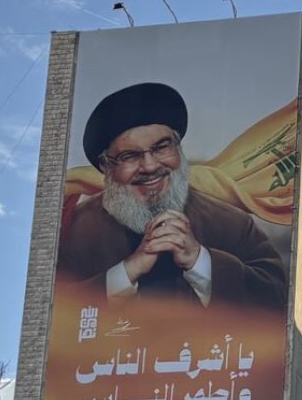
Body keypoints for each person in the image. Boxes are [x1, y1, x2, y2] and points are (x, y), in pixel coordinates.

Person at [58, 82, 286, 310]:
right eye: (129, 156)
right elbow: (55, 311)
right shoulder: (74, 230)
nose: (149, 166)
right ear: (105, 166)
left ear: (179, 150)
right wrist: (127, 272)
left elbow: (277, 300)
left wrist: (199, 260)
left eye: (161, 148)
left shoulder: (231, 222)